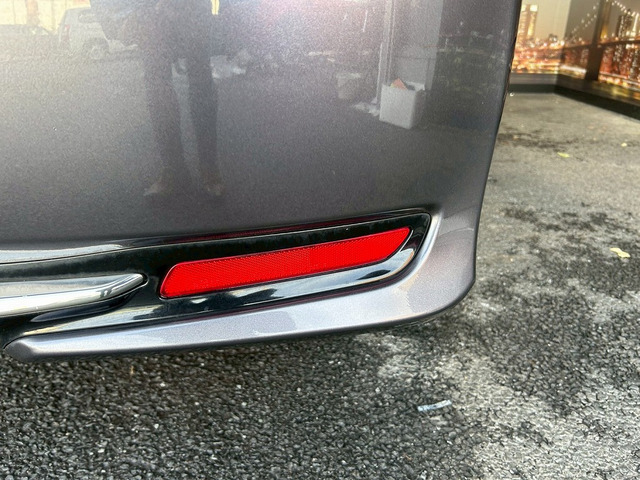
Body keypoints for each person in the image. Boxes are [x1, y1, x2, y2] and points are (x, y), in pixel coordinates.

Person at [93, 0, 223, 197]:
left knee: (199, 80)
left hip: (188, 6)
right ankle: (176, 171)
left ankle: (209, 170)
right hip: (149, 11)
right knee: (158, 85)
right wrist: (113, 23)